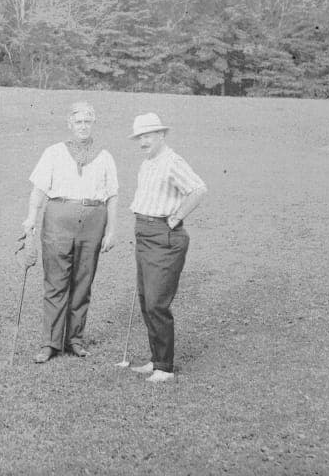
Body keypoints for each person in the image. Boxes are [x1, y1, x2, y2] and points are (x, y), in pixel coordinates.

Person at [23, 101, 118, 363]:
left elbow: (112, 197)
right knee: (56, 281)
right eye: (79, 122)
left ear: (93, 123)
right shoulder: (53, 152)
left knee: (83, 282)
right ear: (70, 124)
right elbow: (39, 190)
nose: (83, 126)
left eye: (88, 121)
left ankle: (74, 339)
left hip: (93, 221)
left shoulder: (105, 156)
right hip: (58, 220)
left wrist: (112, 230)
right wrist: (31, 218)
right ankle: (50, 343)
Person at [126, 112, 208, 383]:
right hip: (144, 233)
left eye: (147, 136)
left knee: (157, 302)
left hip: (165, 237)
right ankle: (156, 359)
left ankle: (165, 368)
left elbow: (198, 189)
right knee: (146, 300)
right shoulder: (148, 163)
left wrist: (174, 218)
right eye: (140, 137)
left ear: (161, 135)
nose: (142, 142)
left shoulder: (172, 161)